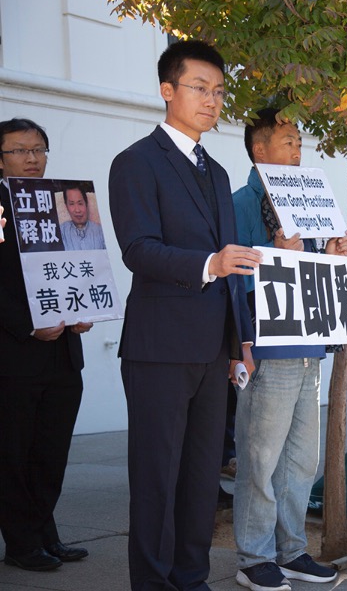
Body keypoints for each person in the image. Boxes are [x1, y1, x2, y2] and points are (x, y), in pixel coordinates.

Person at [108, 40, 260, 591]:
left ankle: (191, 579)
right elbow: (139, 250)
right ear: (167, 90)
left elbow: (232, 268)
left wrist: (239, 341)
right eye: (200, 88)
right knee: (156, 479)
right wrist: (209, 264)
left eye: (219, 91)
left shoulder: (217, 173)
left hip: (212, 350)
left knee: (200, 480)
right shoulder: (135, 162)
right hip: (158, 348)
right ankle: (151, 583)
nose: (212, 100)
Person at [232, 107, 347, 591]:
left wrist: (329, 258)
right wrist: (281, 252)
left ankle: (291, 550)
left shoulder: (305, 201)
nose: (298, 151)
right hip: (268, 348)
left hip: (308, 347)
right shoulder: (241, 202)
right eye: (287, 142)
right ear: (259, 150)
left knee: (301, 461)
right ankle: (253, 556)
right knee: (260, 459)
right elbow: (235, 277)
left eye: (300, 142)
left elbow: (310, 274)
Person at [0, 117, 92, 571]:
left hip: (62, 351)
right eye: (19, 150)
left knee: (51, 450)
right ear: (0, 160)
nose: (32, 158)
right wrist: (26, 325)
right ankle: (20, 545)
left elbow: (80, 264)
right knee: (14, 454)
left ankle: (44, 534)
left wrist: (86, 304)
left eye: (38, 149)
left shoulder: (63, 203)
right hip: (15, 353)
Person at [59, 185, 106, 250]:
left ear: (86, 204)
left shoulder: (101, 231)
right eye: (72, 204)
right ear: (66, 206)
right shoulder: (61, 232)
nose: (77, 210)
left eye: (80, 203)